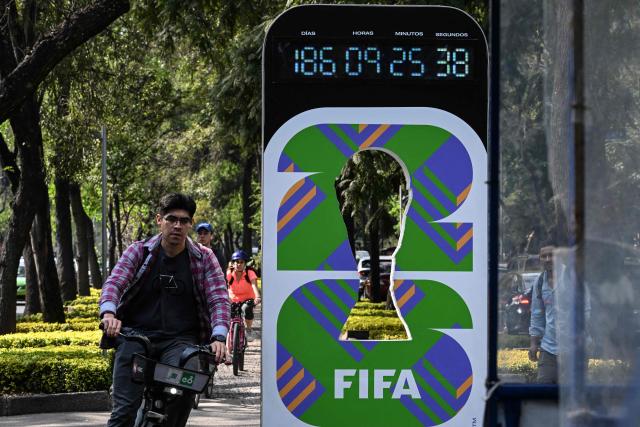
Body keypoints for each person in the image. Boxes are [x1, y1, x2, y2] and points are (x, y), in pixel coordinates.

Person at [99, 193, 230, 427]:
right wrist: (109, 313)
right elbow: (115, 283)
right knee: (123, 414)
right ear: (159, 220)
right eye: (171, 219)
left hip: (180, 343)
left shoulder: (204, 258)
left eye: (184, 220)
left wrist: (219, 337)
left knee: (186, 386)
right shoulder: (138, 252)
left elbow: (218, 299)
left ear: (190, 224)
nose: (177, 225)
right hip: (135, 337)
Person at [528, 245, 558, 383]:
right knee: (543, 393)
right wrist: (534, 344)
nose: (547, 259)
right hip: (548, 349)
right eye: (544, 256)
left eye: (551, 255)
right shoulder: (539, 282)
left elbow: (585, 310)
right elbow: (536, 315)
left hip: (572, 351)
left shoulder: (573, 278)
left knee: (572, 399)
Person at [227, 249, 261, 341]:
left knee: (246, 308)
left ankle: (249, 330)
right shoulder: (229, 274)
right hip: (233, 299)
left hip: (247, 299)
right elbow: (224, 286)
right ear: (232, 263)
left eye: (241, 262)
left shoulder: (250, 272)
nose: (238, 264)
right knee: (228, 314)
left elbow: (254, 285)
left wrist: (257, 297)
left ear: (245, 263)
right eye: (236, 262)